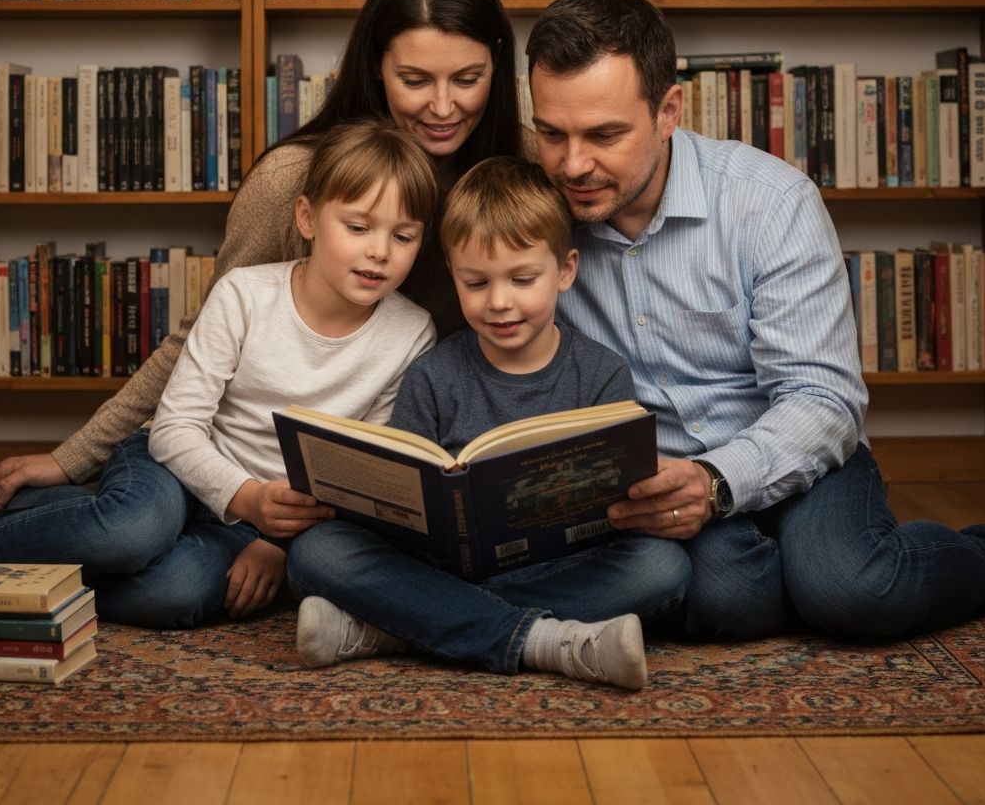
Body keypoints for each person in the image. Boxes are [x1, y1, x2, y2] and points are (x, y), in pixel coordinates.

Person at [0, 0, 524, 622]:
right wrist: (72, 455)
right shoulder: (294, 180)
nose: (442, 106)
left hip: (293, 502)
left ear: (498, 65)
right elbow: (190, 346)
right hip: (199, 455)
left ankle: (78, 543)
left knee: (177, 587)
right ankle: (12, 536)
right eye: (414, 79)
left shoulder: (508, 181)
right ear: (376, 67)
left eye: (467, 79)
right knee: (139, 526)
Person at [523, 0, 985, 642]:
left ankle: (973, 554)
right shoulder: (532, 220)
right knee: (727, 605)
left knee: (852, 591)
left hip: (792, 451)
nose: (573, 164)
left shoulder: (769, 202)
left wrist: (716, 481)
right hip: (661, 489)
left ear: (668, 110)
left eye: (605, 134)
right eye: (551, 134)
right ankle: (790, 568)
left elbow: (822, 398)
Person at [0, 121, 441, 626]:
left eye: (403, 235)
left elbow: (363, 473)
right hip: (174, 465)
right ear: (307, 217)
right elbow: (175, 429)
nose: (380, 251)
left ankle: (71, 520)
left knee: (174, 594)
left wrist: (276, 542)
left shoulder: (411, 333)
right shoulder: (245, 294)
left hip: (255, 524)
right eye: (359, 227)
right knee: (135, 531)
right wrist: (247, 497)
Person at [288, 157, 691, 689]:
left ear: (565, 270)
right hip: (444, 569)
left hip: (560, 569)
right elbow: (405, 505)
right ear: (453, 275)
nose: (500, 303)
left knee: (664, 567)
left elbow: (622, 503)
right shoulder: (432, 374)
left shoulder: (602, 375)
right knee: (315, 552)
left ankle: (400, 627)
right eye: (475, 283)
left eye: (523, 279)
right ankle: (551, 642)